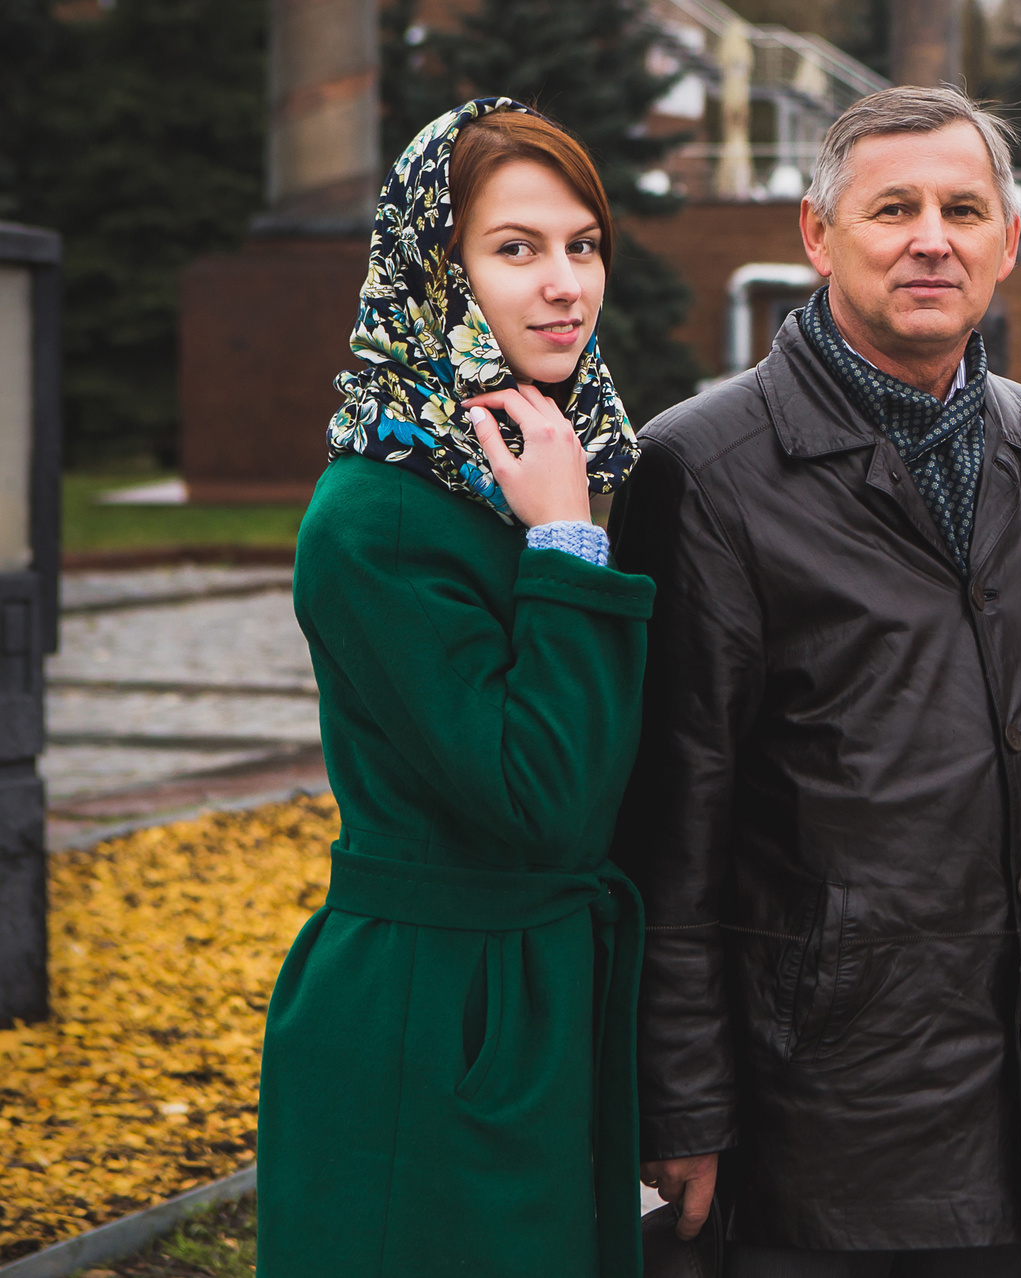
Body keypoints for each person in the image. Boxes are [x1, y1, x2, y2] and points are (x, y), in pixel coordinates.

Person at [610, 86, 1021, 1278]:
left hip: (1019, 1080)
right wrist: (680, 1106)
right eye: (893, 209)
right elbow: (670, 811)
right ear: (817, 236)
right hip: (813, 1102)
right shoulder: (705, 468)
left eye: (962, 209)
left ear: (1007, 244)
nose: (930, 238)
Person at [259, 98, 655, 1277]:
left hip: (531, 993)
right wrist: (565, 547)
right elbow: (543, 800)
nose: (564, 285)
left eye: (582, 245)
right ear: (435, 272)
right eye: (515, 249)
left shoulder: (543, 463)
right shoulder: (381, 517)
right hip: (433, 1022)